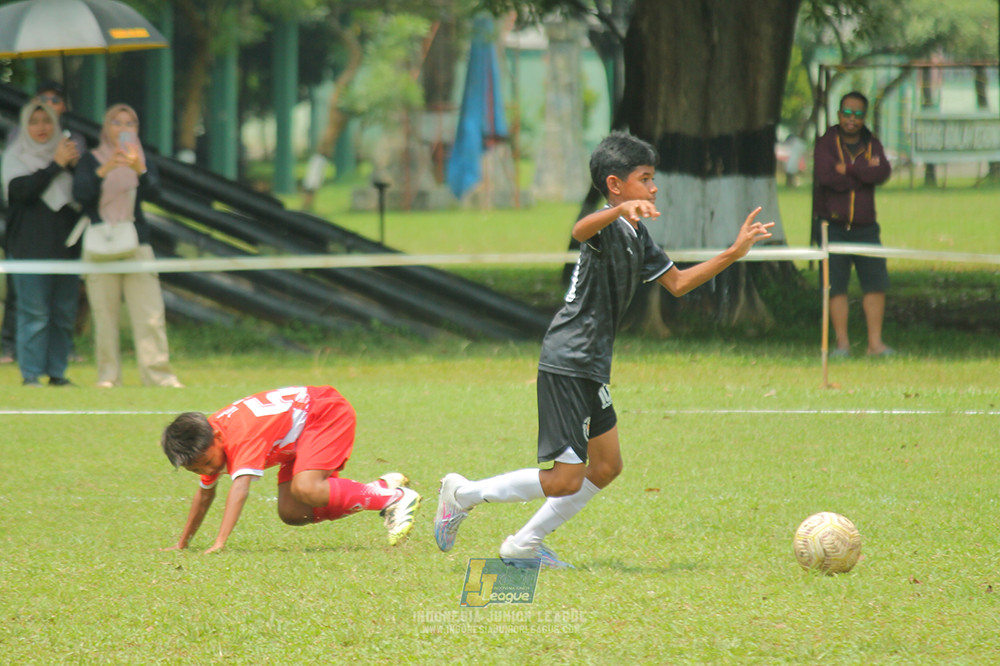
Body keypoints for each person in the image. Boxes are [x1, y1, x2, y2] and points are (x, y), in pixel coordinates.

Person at [433, 131, 774, 567]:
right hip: (568, 359)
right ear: (615, 185)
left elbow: (679, 283)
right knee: (563, 481)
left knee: (607, 465)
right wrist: (615, 211)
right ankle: (462, 494)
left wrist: (733, 251)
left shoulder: (637, 234)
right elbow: (579, 229)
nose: (653, 189)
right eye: (645, 179)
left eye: (653, 180)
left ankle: (522, 545)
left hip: (591, 363)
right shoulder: (607, 226)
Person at [160, 385, 421, 553]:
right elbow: (205, 494)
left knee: (307, 488)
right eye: (196, 469)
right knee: (293, 512)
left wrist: (219, 543)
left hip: (323, 413)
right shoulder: (206, 442)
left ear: (217, 436)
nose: (209, 469)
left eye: (207, 462)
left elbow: (240, 489)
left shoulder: (240, 435)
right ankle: (379, 490)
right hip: (295, 440)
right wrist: (183, 543)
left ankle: (395, 499)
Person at [72, 103, 183, 387]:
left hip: (136, 243)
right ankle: (108, 377)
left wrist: (139, 169)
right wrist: (105, 169)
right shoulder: (90, 159)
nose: (123, 129)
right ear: (106, 128)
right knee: (104, 317)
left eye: (129, 124)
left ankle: (158, 376)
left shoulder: (142, 158)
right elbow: (81, 195)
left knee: (150, 314)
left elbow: (155, 194)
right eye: (116, 123)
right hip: (99, 244)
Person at [1, 80, 88, 366]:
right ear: (24, 125)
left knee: (63, 313)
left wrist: (73, 164)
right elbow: (22, 191)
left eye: (47, 121)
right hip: (28, 248)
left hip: (66, 248)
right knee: (34, 315)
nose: (41, 127)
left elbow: (86, 193)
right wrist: (55, 165)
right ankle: (31, 374)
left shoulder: (70, 154)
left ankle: (58, 372)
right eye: (34, 121)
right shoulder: (15, 158)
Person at [813, 91, 893, 358]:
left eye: (858, 114)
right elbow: (825, 177)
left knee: (875, 284)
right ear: (839, 114)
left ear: (864, 117)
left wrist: (847, 169)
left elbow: (882, 172)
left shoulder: (873, 144)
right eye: (847, 113)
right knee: (835, 286)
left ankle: (875, 344)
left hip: (866, 227)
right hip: (833, 227)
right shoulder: (826, 143)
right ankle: (842, 344)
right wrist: (862, 176)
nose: (852, 119)